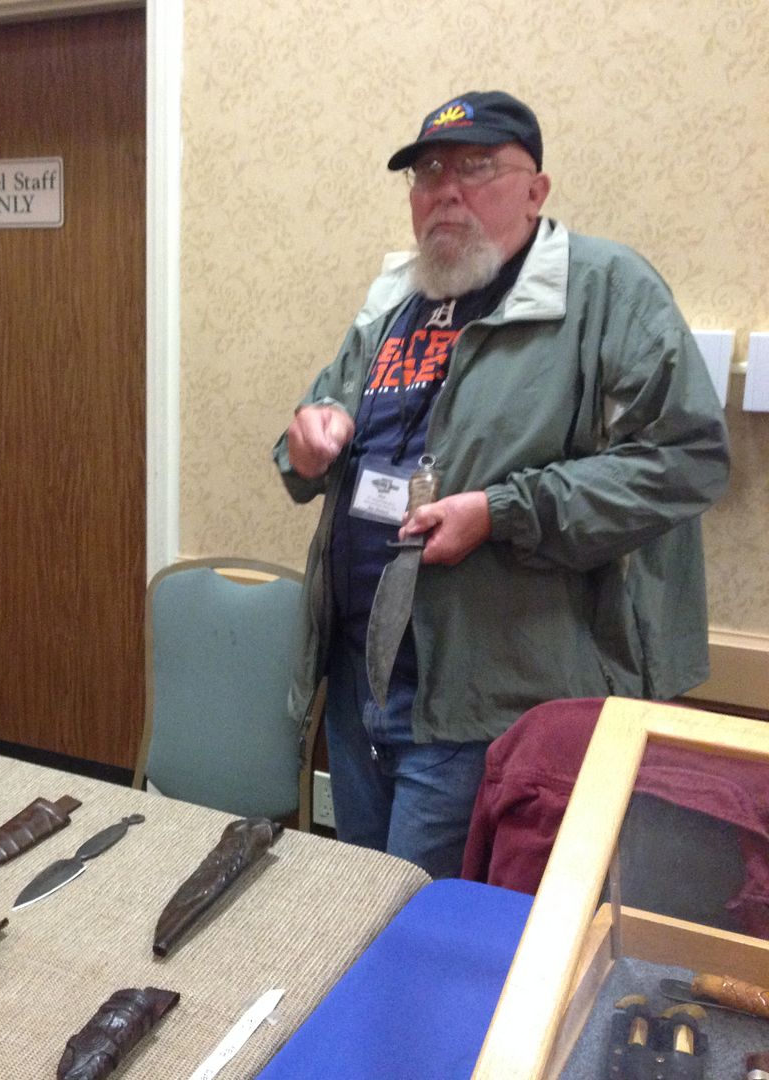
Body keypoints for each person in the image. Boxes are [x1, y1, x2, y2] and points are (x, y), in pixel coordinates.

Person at [273, 90, 730, 879]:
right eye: (428, 172)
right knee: (360, 907)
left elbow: (685, 459)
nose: (445, 190)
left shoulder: (604, 289)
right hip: (359, 686)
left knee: (433, 923)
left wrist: (502, 512)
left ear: (535, 190)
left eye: (477, 167)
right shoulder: (395, 297)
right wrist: (305, 444)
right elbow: (319, 420)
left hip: (488, 701)